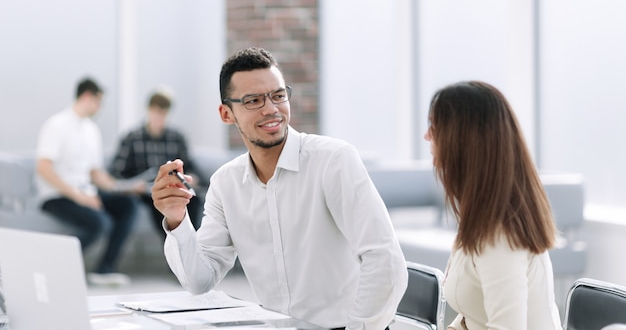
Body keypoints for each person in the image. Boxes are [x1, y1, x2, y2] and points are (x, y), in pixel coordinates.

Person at [150, 47, 408, 329]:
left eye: (278, 95)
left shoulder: (333, 161)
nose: (271, 109)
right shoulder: (226, 183)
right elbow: (200, 280)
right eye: (253, 100)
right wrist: (176, 218)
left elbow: (385, 260)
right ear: (226, 114)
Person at [423, 81, 562, 329]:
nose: (427, 136)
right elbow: (474, 312)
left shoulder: (500, 234)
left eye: (434, 128)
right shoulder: (482, 214)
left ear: (462, 143)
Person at [35, 77, 143, 286]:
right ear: (87, 96)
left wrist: (123, 188)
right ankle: (54, 269)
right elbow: (43, 168)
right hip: (58, 195)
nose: (100, 107)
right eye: (99, 101)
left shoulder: (91, 130)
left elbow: (95, 174)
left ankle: (104, 268)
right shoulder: (56, 125)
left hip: (86, 191)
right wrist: (79, 197)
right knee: (101, 222)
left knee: (128, 206)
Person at [109, 88, 207, 240]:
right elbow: (116, 171)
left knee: (193, 200)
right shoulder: (132, 138)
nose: (159, 118)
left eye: (163, 113)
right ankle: (175, 248)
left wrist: (191, 178)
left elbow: (190, 166)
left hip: (173, 188)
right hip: (146, 193)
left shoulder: (177, 138)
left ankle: (193, 244)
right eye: (156, 112)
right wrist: (132, 185)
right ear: (149, 110)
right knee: (161, 203)